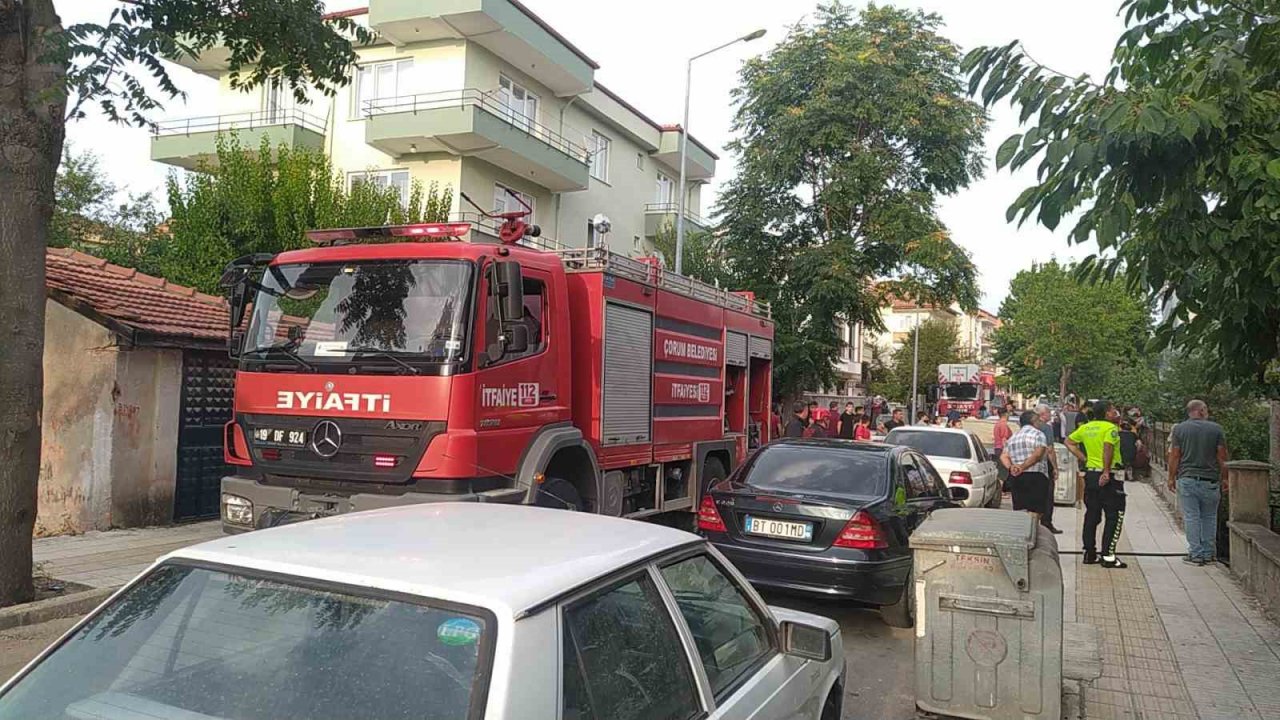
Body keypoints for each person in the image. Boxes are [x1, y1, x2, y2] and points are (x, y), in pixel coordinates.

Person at [1168, 399, 1229, 566]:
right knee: (1209, 517)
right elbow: (1222, 457)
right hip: (1210, 480)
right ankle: (1209, 554)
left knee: (1192, 517)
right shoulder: (1216, 429)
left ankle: (1195, 554)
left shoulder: (1179, 429)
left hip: (1187, 479)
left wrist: (1171, 477)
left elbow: (1175, 455)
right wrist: (1225, 478)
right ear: (1201, 411)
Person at [1068, 400, 1125, 568]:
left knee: (1092, 514)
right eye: (1113, 410)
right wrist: (1106, 471)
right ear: (1107, 413)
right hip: (1109, 477)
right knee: (1114, 516)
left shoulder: (1086, 427)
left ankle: (1089, 553)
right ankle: (1108, 556)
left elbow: (1069, 442)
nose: (1115, 413)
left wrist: (1084, 458)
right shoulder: (1110, 429)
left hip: (1091, 475)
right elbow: (1108, 447)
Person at [1002, 410, 1051, 525]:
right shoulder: (1038, 434)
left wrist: (1012, 467)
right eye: (1038, 420)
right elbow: (1038, 454)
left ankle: (1022, 533)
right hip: (1036, 476)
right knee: (1036, 510)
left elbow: (1004, 456)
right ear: (1033, 421)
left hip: (1017, 477)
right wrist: (1023, 466)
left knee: (1020, 510)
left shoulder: (1014, 437)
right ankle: (1032, 534)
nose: (1039, 423)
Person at [1036, 403, 1063, 534]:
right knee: (1048, 494)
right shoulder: (1046, 428)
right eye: (1048, 413)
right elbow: (1050, 450)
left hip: (1029, 464)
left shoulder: (1029, 426)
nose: (1050, 415)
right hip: (1044, 463)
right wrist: (1055, 468)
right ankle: (1046, 523)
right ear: (1043, 414)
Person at [993, 407, 1013, 491]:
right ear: (1006, 414)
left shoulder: (998, 423)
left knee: (1001, 470)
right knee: (1003, 471)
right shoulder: (1003, 424)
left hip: (997, 448)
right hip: (1002, 449)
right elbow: (1004, 438)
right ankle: (1000, 491)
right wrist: (1006, 451)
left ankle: (1000, 490)